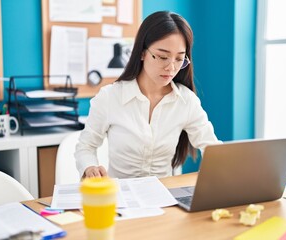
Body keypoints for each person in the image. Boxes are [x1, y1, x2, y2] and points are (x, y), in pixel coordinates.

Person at [75, 11, 221, 179]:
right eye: (163, 57)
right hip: (120, 197)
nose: (171, 68)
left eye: (179, 59)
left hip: (165, 196)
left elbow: (212, 148)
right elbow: (86, 146)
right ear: (142, 52)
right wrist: (89, 167)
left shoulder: (186, 101)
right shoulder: (110, 97)